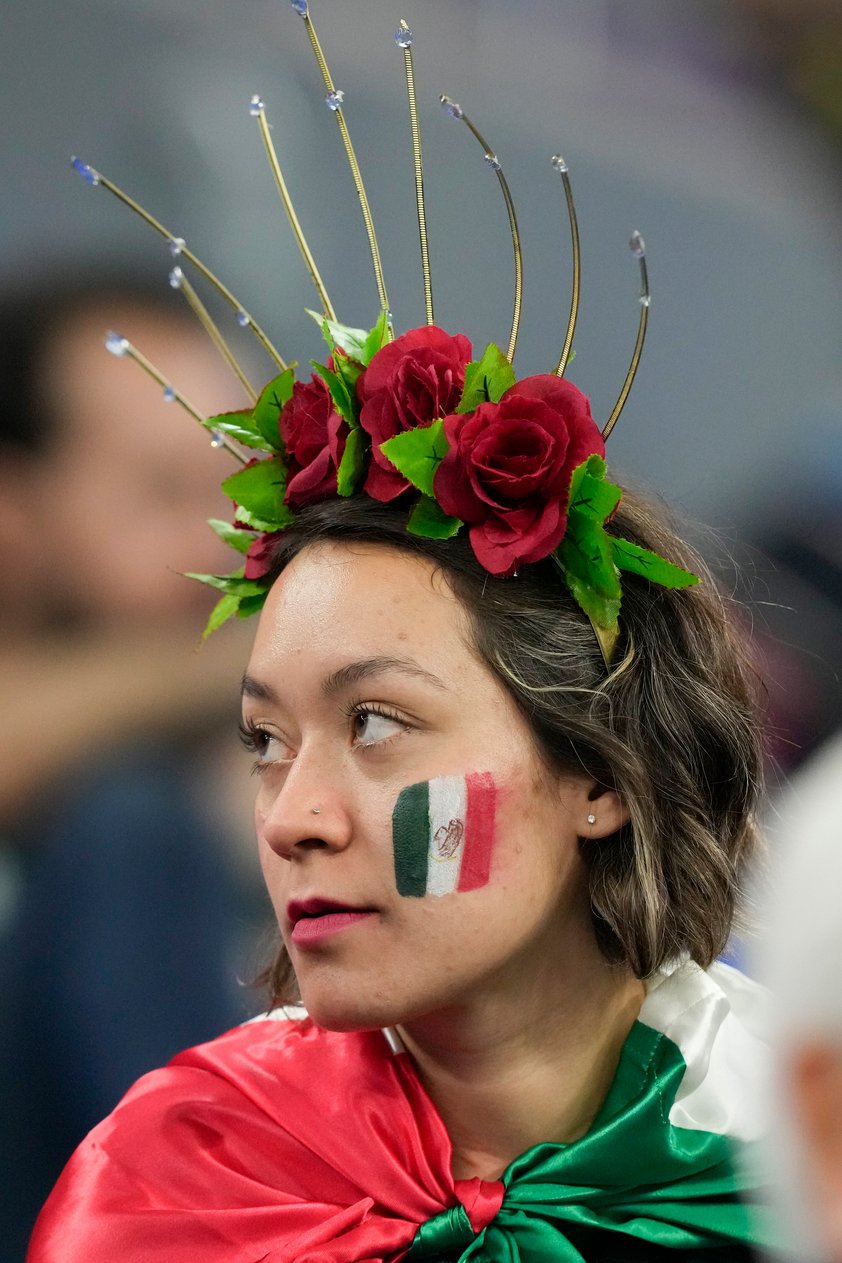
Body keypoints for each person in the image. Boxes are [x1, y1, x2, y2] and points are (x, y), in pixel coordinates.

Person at [26, 301, 780, 1259]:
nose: (292, 817)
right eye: (264, 740)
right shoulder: (180, 1179)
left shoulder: (795, 1154)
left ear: (598, 770)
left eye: (375, 724)